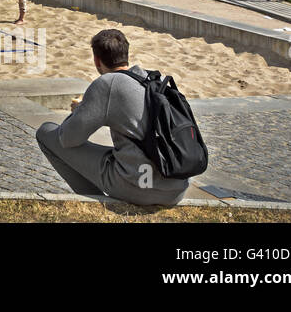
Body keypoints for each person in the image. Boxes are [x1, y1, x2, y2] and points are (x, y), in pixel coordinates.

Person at [35, 30, 190, 206]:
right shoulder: (157, 79)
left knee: (46, 132)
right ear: (126, 54)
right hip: (176, 188)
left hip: (140, 187)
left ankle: (94, 202)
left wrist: (79, 111)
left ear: (97, 61)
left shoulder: (107, 83)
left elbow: (68, 138)